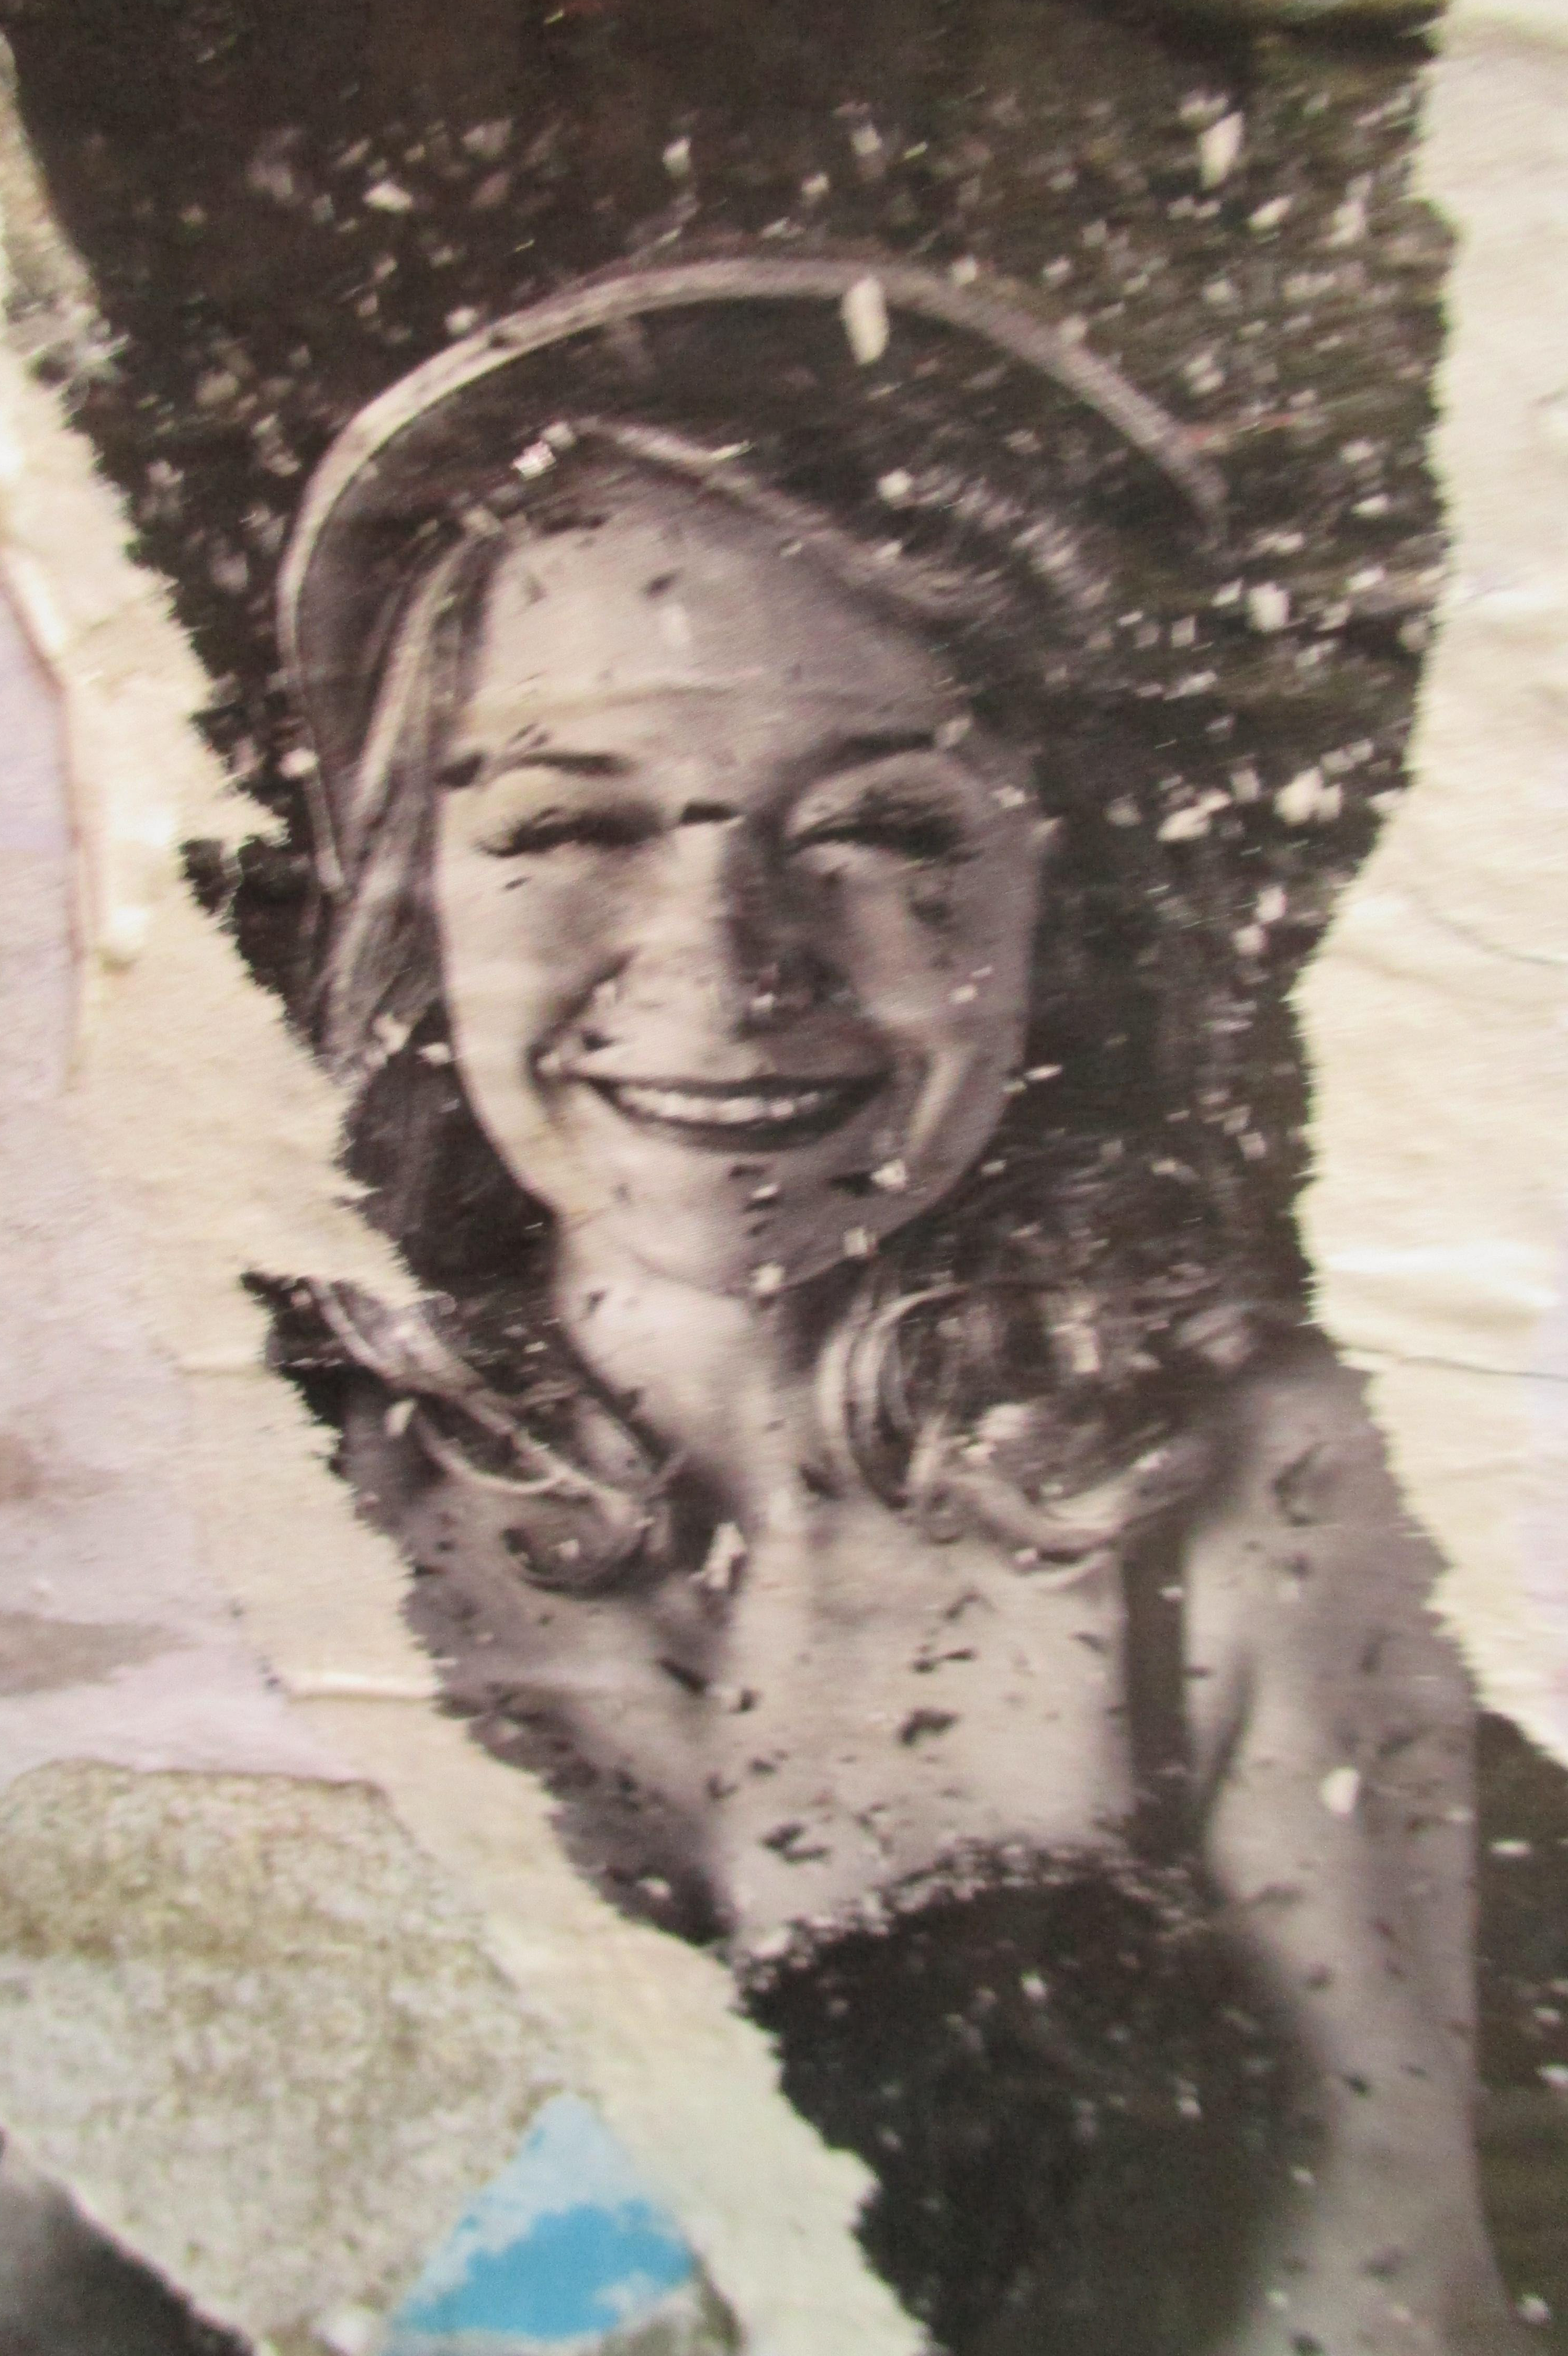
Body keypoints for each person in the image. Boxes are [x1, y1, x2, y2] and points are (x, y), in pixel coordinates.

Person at [269, 259, 1520, 2355]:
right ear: (416, 888)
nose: (721, 961)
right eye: (571, 823)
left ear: (1057, 895)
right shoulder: (259, 1513)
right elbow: (37, 2290)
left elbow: (1386, 2291)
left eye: (878, 828)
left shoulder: (1239, 1495)